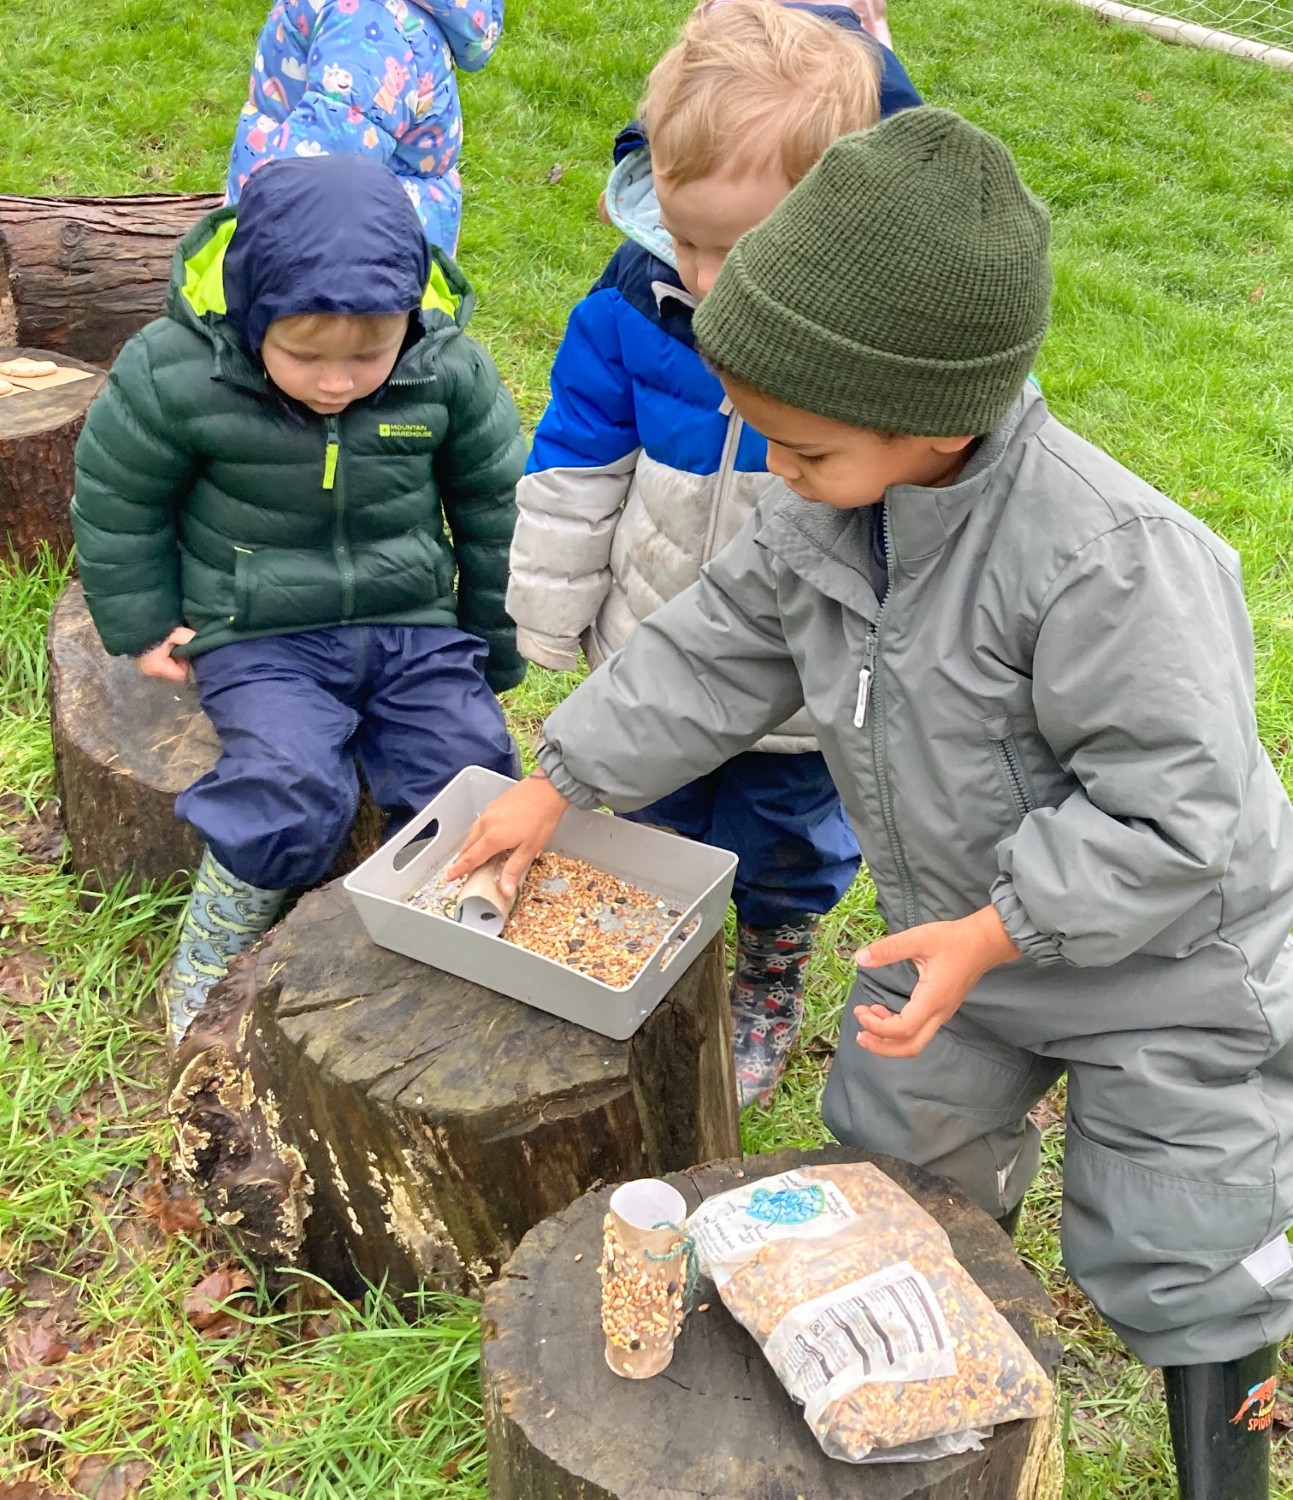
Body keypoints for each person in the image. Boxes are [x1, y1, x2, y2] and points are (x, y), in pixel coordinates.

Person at [453, 109, 1293, 1495]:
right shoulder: (825, 511)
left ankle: (1228, 1451)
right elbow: (710, 649)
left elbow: (1178, 813)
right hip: (966, 949)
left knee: (1183, 1246)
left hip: (1173, 970)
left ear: (937, 418)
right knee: (893, 1158)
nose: (773, 473)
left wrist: (998, 924)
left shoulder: (1111, 562)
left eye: (801, 448)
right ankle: (940, 1366)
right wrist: (564, 777)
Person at [506, 0, 920, 1109]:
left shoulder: (879, 355)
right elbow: (576, 458)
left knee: (788, 844)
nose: (702, 272)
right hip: (652, 642)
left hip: (802, 689)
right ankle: (661, 962)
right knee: (649, 819)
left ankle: (769, 972)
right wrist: (550, 609)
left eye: (738, 249)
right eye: (683, 236)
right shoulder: (633, 306)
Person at [72, 154, 525, 1050]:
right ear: (248, 315)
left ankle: (435, 937)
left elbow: (495, 507)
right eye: (304, 356)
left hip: (410, 624)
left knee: (469, 769)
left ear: (410, 315)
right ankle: (217, 939)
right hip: (258, 629)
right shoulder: (175, 371)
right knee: (289, 786)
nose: (336, 383)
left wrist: (493, 636)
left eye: (367, 355)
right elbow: (118, 498)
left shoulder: (446, 371)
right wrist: (138, 622)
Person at [227, 0, 505, 253]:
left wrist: (249, 244)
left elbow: (322, 168)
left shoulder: (369, 28)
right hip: (348, 247)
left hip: (332, 263)